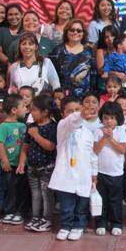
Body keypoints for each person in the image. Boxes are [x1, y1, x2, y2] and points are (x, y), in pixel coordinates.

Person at [49, 96, 97, 241]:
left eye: (77, 109)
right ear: (63, 113)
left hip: (83, 175)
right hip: (66, 175)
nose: (74, 113)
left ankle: (78, 226)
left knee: (81, 205)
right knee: (67, 205)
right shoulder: (63, 127)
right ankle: (65, 225)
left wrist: (94, 175)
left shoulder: (88, 132)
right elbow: (72, 121)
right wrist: (80, 114)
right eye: (70, 111)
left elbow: (92, 155)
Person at [18, 95, 58, 232]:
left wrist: (36, 135)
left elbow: (51, 146)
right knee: (35, 194)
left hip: (47, 167)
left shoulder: (53, 127)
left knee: (47, 194)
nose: (31, 112)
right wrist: (22, 162)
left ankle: (46, 219)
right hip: (32, 167)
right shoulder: (31, 126)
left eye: (34, 110)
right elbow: (25, 146)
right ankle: (35, 217)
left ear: (45, 111)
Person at [94, 102, 126, 235]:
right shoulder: (97, 131)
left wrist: (111, 138)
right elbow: (96, 150)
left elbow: (122, 150)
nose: (109, 121)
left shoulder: (120, 131)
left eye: (112, 118)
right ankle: (101, 222)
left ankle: (116, 223)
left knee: (115, 200)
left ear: (118, 119)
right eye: (106, 117)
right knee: (101, 199)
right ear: (102, 118)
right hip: (100, 172)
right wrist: (104, 137)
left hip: (116, 173)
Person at [0, 94, 27, 224]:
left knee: (21, 188)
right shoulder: (3, 126)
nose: (26, 109)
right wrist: (5, 160)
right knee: (9, 188)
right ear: (14, 110)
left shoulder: (23, 126)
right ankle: (9, 211)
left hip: (21, 164)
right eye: (23, 106)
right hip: (9, 164)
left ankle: (20, 212)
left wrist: (23, 162)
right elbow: (0, 143)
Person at [50, 19, 96, 98]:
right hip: (63, 97)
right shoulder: (57, 50)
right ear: (66, 32)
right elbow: (52, 76)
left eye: (79, 31)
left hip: (84, 98)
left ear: (83, 33)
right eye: (72, 30)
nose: (75, 33)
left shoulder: (89, 51)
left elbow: (94, 76)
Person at [0, 3, 23, 70]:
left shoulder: (25, 31)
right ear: (6, 16)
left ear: (21, 15)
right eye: (10, 14)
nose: (13, 17)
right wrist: (10, 63)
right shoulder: (1, 31)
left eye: (16, 14)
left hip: (24, 67)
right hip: (5, 68)